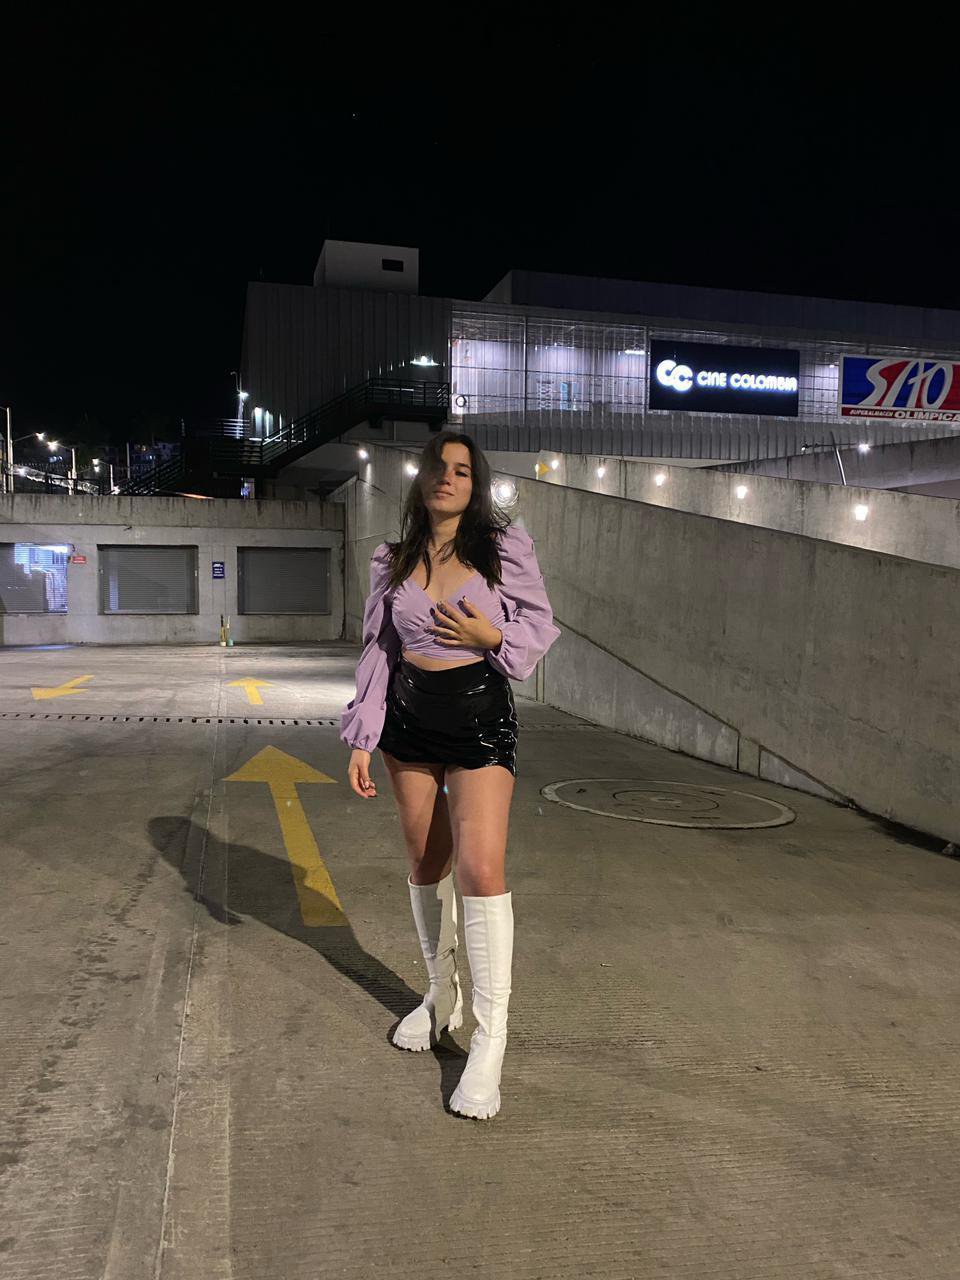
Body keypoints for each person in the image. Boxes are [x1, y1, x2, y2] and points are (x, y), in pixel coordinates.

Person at [339, 430, 561, 1120]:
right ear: (422, 478)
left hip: (478, 718)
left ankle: (490, 1039)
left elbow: (539, 623)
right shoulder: (391, 558)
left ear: (475, 484)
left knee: (480, 870)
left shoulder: (502, 549)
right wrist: (363, 734)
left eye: (463, 470)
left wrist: (492, 638)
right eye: (439, 466)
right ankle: (442, 997)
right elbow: (379, 646)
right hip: (408, 723)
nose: (449, 477)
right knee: (424, 862)